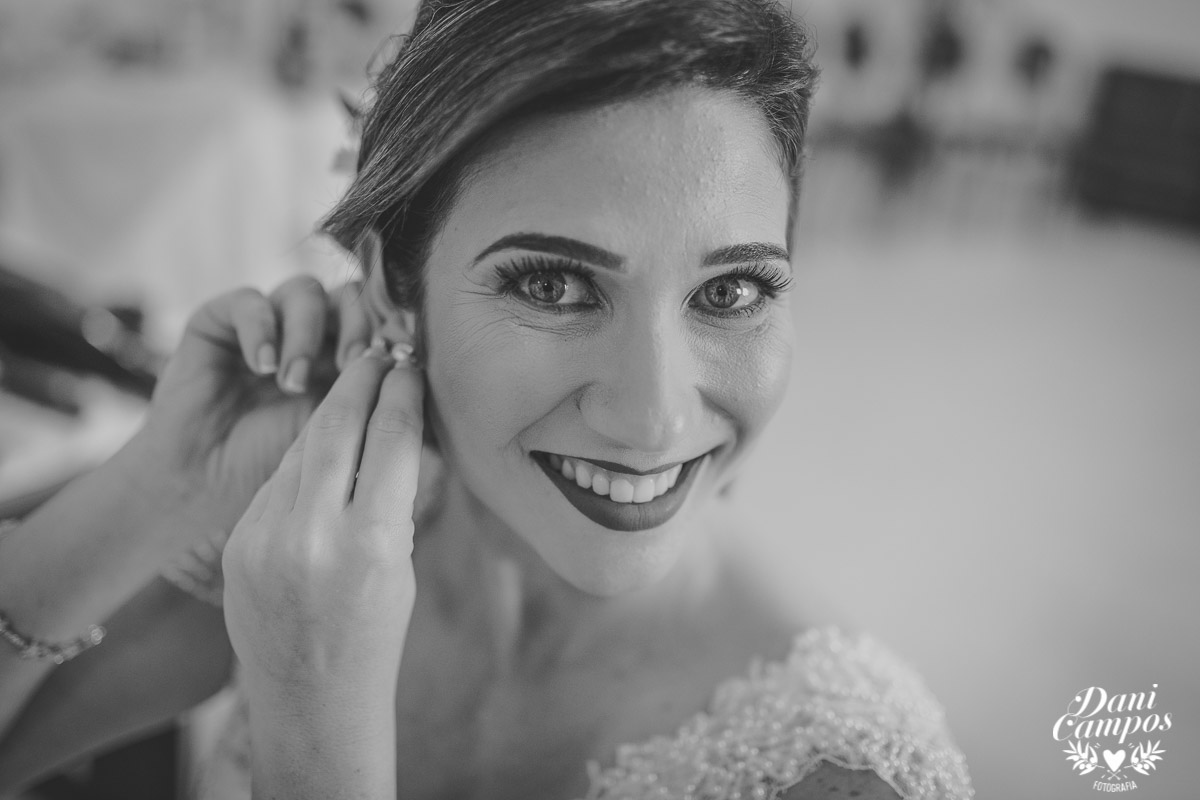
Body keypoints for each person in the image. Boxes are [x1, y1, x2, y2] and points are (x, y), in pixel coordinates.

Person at [0, 1, 976, 798]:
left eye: (731, 291)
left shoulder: (843, 772)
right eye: (553, 285)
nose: (654, 418)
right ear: (390, 285)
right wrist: (157, 483)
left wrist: (313, 715)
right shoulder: (302, 541)